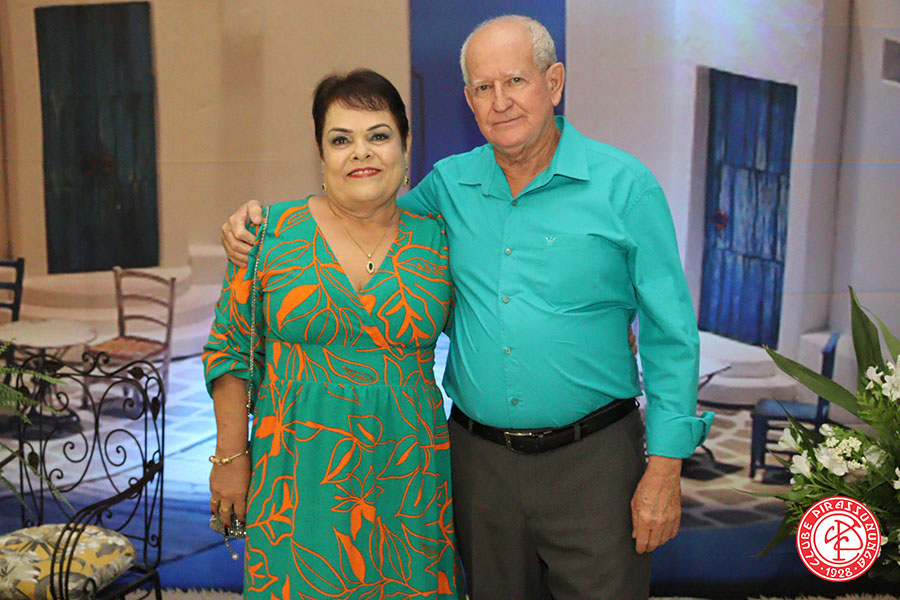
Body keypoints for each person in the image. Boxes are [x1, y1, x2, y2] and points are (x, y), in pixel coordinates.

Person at [221, 15, 713, 600]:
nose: (500, 101)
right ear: (468, 100)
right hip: (478, 468)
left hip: (595, 462)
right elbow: (365, 209)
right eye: (484, 87)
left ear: (554, 82)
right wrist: (252, 223)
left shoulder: (625, 187)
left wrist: (666, 466)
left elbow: (670, 333)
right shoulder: (446, 189)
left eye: (516, 81)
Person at [203, 69, 461, 598]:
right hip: (296, 479)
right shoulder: (268, 234)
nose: (361, 152)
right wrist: (230, 458)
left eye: (378, 135)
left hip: (409, 479)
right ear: (320, 153)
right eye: (341, 140)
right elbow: (230, 348)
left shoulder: (439, 240)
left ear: (406, 144)